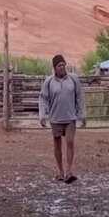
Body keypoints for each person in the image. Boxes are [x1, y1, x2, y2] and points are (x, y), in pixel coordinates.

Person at [38, 54, 86, 183]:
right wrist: (42, 115)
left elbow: (79, 97)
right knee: (57, 144)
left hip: (70, 117)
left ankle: (69, 171)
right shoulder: (49, 81)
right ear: (54, 68)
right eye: (59, 65)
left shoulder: (73, 79)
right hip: (55, 118)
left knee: (70, 142)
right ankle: (60, 171)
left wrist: (82, 115)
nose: (62, 67)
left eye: (64, 64)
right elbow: (43, 99)